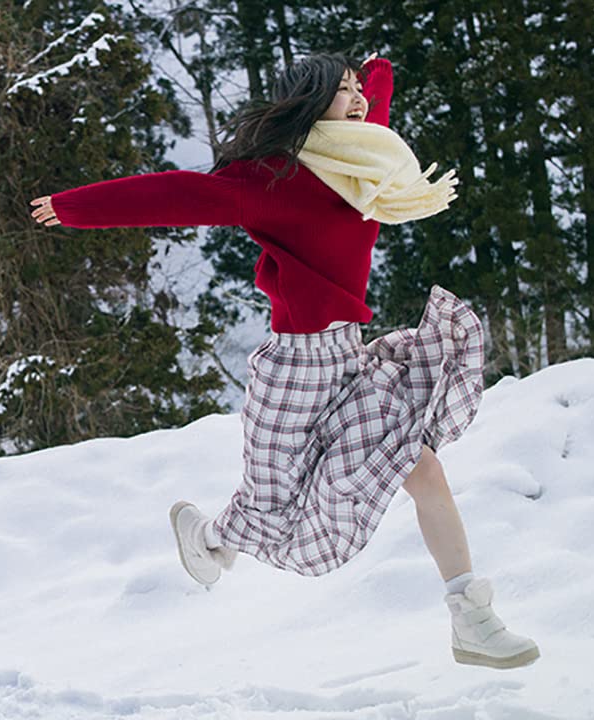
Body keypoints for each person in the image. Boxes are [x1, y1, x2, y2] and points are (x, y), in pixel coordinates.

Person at [29, 52, 539, 670]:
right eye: (342, 92)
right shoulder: (270, 180)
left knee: (423, 470)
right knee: (273, 512)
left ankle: (472, 620)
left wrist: (377, 71)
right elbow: (177, 194)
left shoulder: (362, 162)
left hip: (350, 360)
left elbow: (375, 104)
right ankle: (208, 537)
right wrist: (76, 207)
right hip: (295, 374)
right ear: (309, 100)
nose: (357, 103)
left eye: (357, 93)